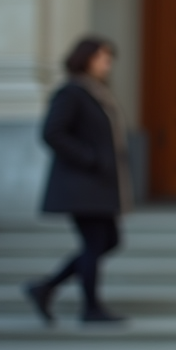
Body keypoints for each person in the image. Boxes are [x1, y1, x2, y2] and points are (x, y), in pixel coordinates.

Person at [25, 36, 131, 324]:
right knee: (96, 242)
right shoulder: (71, 92)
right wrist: (90, 158)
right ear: (86, 58)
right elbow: (52, 132)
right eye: (102, 57)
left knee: (107, 241)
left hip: (99, 185)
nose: (107, 64)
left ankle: (46, 287)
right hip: (82, 186)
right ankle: (90, 307)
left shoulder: (97, 92)